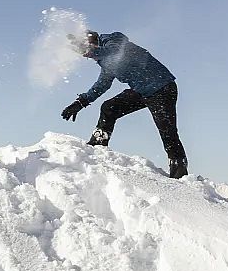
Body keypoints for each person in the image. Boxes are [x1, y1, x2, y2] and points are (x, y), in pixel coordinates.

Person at [61, 30, 189, 179]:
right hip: (141, 90)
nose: (89, 56)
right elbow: (102, 85)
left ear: (94, 41)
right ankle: (98, 145)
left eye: (88, 49)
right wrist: (81, 102)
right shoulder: (106, 63)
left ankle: (178, 168)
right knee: (109, 107)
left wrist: (90, 50)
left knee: (167, 130)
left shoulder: (113, 39)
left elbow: (114, 50)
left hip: (161, 87)